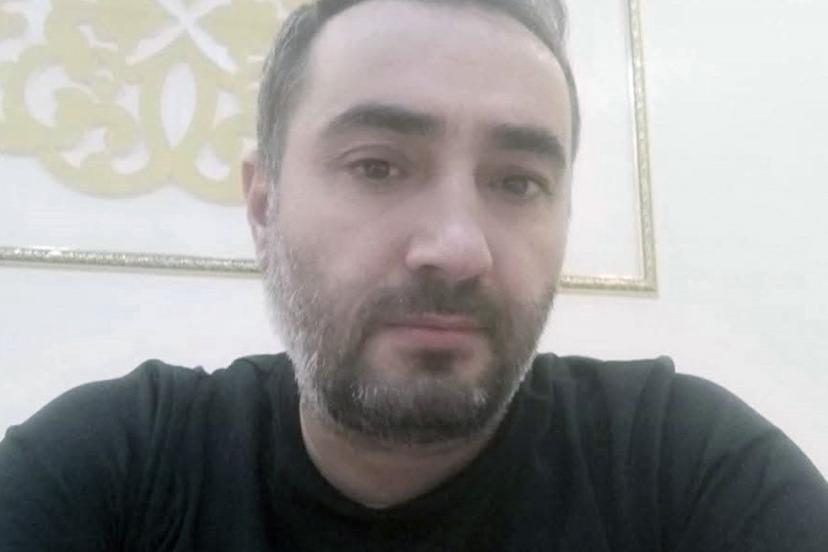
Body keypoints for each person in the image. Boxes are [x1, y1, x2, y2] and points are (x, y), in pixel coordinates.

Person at [1, 0, 827, 549]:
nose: (457, 248)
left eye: (517, 182)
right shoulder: (118, 469)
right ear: (263, 206)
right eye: (378, 166)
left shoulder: (680, 469)